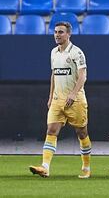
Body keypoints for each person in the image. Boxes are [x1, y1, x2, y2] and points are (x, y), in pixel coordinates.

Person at [29, 22, 91, 178]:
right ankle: (45, 167)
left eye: (61, 32)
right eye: (55, 32)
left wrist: (73, 93)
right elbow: (53, 75)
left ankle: (86, 167)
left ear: (69, 34)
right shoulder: (53, 52)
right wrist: (51, 96)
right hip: (57, 100)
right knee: (51, 130)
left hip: (75, 100)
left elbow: (83, 75)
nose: (57, 35)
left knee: (82, 133)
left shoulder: (77, 53)